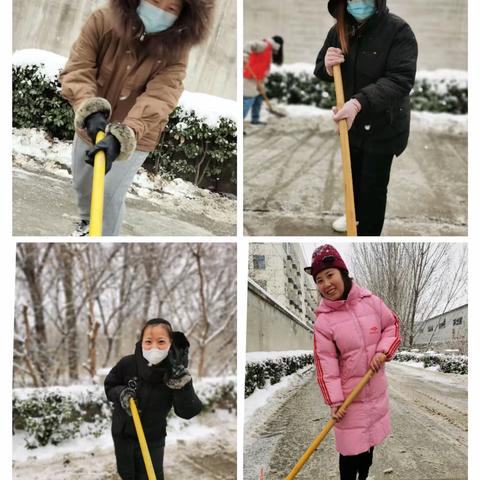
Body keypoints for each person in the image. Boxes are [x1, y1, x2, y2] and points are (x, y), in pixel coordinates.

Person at [60, 0, 214, 236]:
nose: (160, 11)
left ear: (184, 15)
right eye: (154, 1)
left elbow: (161, 96)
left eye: (171, 8)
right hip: (93, 122)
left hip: (135, 135)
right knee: (83, 186)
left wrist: (124, 134)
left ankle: (104, 242)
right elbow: (79, 68)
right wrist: (89, 110)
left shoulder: (176, 52)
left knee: (108, 195)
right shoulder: (102, 21)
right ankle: (86, 222)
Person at [314, 0, 418, 236]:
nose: (357, 4)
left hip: (385, 126)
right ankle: (354, 215)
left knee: (373, 188)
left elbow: (400, 80)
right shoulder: (339, 29)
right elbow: (320, 67)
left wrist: (357, 103)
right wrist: (328, 66)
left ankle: (367, 229)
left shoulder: (398, 31)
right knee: (353, 178)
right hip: (352, 125)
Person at [304, 244, 401, 480]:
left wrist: (382, 351)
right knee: (349, 456)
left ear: (343, 273)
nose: (326, 284)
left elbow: (392, 327)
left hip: (375, 393)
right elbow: (326, 366)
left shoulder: (371, 302)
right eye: (319, 280)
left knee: (368, 450)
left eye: (330, 275)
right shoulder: (324, 323)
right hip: (349, 400)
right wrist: (335, 402)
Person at [105, 318, 203, 479]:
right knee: (126, 473)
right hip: (122, 435)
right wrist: (121, 393)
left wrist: (183, 385)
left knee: (151, 476)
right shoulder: (127, 364)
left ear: (171, 343)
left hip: (153, 439)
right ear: (141, 342)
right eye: (148, 341)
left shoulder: (174, 372)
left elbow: (188, 411)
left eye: (161, 341)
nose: (153, 347)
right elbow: (109, 385)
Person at [243, 36, 284, 125]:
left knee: (259, 97)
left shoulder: (269, 50)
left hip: (258, 79)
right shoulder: (264, 45)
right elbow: (249, 44)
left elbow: (262, 66)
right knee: (248, 99)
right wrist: (245, 56)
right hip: (249, 78)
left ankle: (255, 119)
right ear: (278, 45)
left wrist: (261, 83)